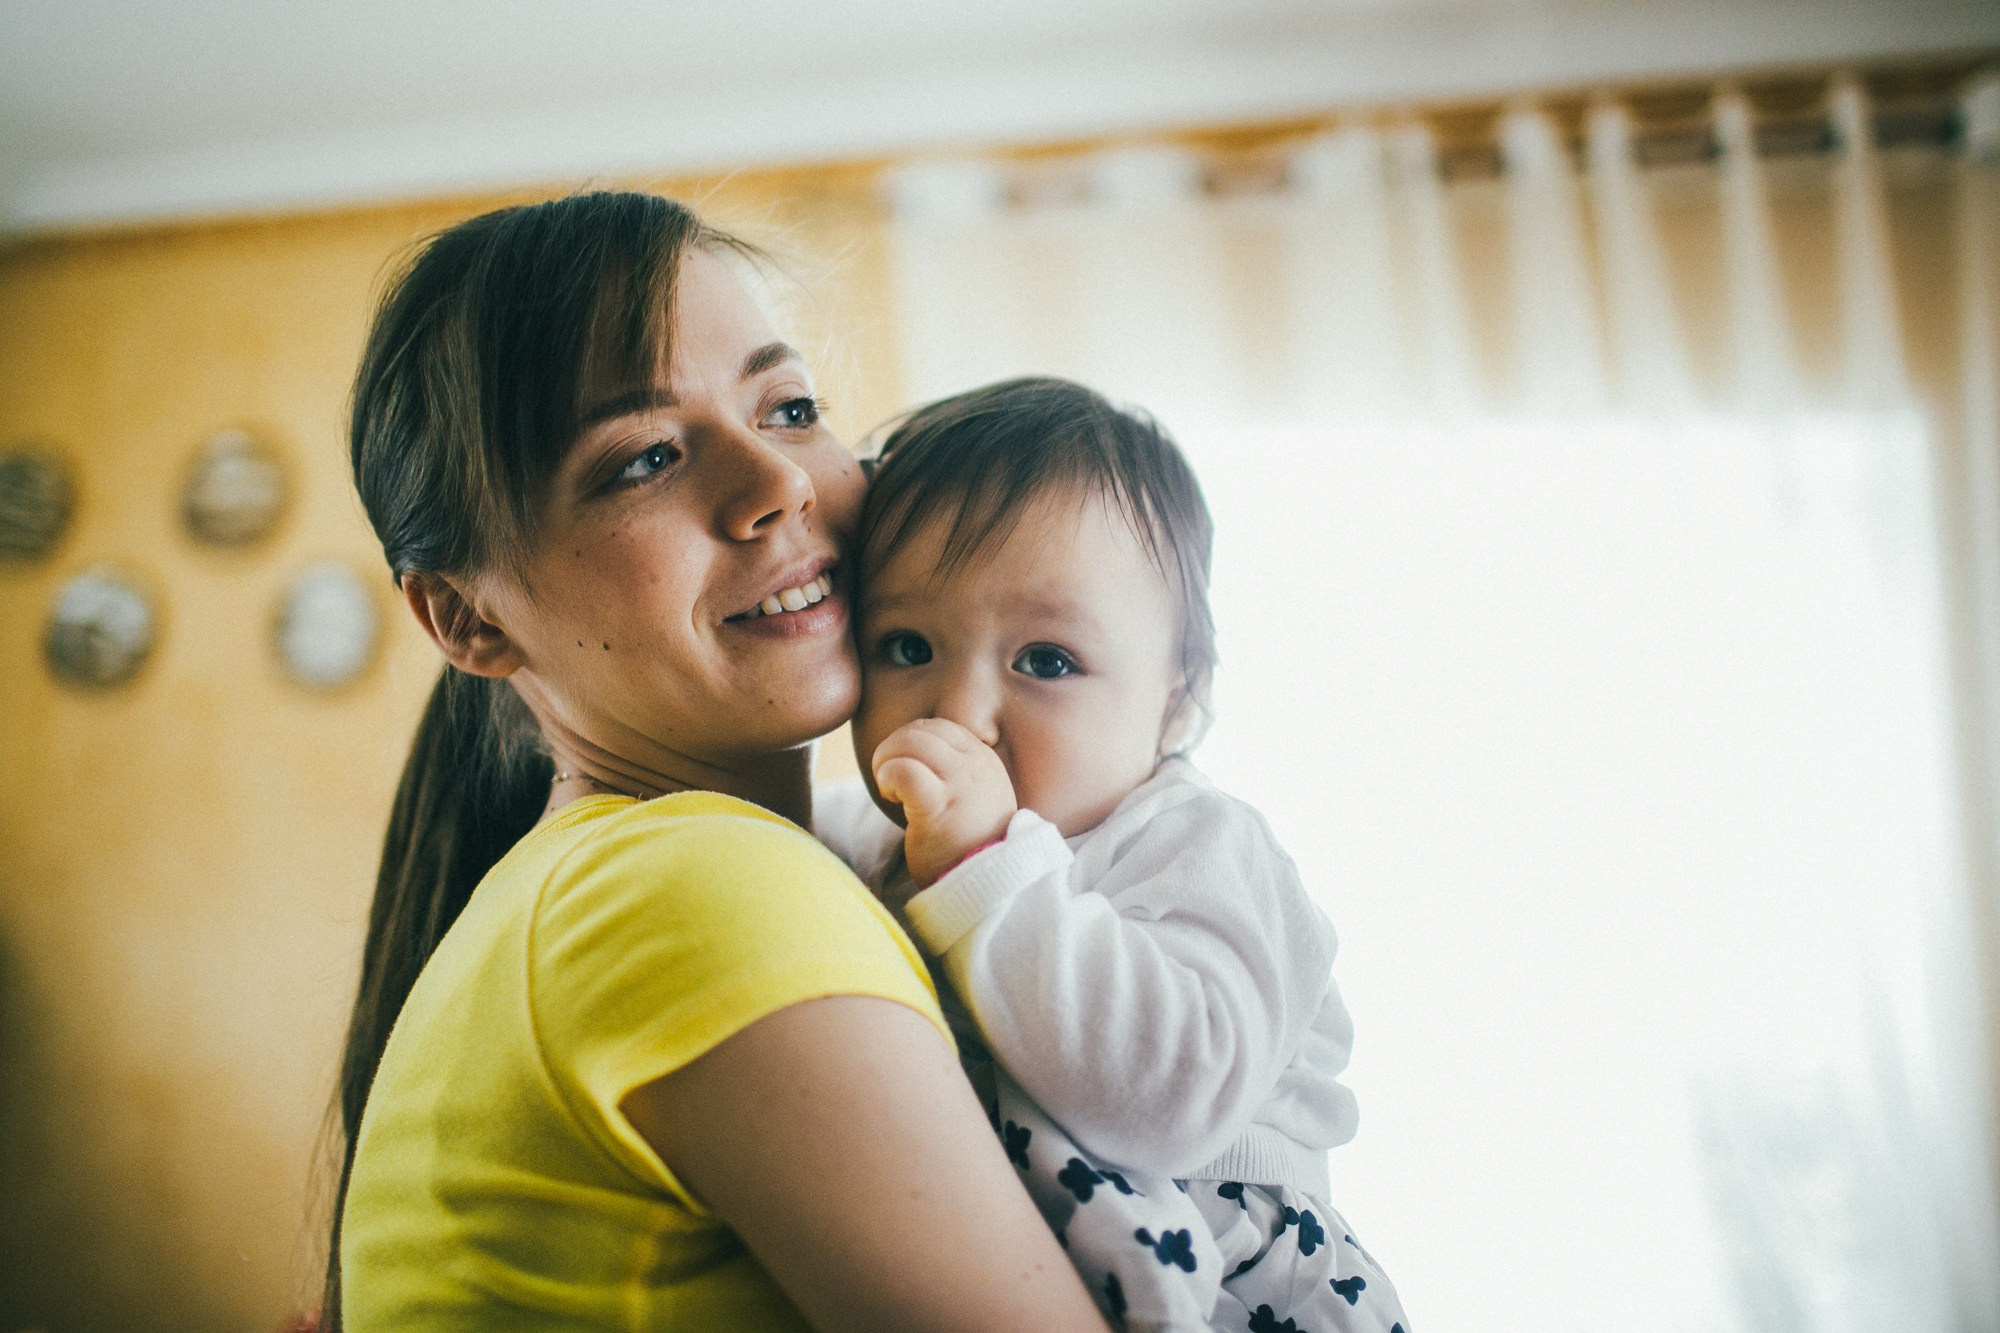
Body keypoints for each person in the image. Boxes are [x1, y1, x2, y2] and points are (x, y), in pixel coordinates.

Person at [324, 193, 1110, 1331]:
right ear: (465, 618)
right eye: (643, 458)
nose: (777, 483)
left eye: (789, 407)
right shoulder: (687, 889)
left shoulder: (604, 890)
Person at [817, 378, 1410, 1332]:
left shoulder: (1198, 844)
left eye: (1046, 660)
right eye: (907, 643)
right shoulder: (870, 836)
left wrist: (988, 870)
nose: (959, 714)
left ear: (1177, 700)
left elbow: (1171, 1100)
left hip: (1238, 1284)